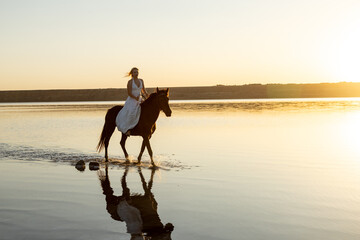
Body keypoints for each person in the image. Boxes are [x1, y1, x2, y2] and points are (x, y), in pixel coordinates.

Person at [116, 67, 149, 136]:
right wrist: (135, 98)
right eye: (134, 72)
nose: (136, 74)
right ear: (132, 74)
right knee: (131, 112)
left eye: (137, 72)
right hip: (132, 99)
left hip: (139, 99)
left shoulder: (141, 81)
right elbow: (129, 93)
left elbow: (144, 91)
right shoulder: (130, 82)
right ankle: (127, 129)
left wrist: (147, 96)